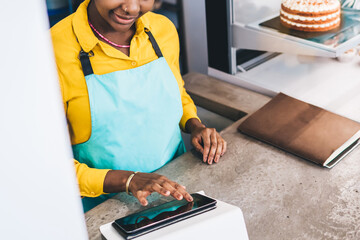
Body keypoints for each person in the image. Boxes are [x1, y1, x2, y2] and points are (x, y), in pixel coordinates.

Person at [50, 0, 227, 212]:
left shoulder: (162, 29)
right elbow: (49, 165)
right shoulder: (51, 50)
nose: (133, 8)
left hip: (177, 188)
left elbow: (176, 91)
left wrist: (194, 125)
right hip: (104, 208)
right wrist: (128, 180)